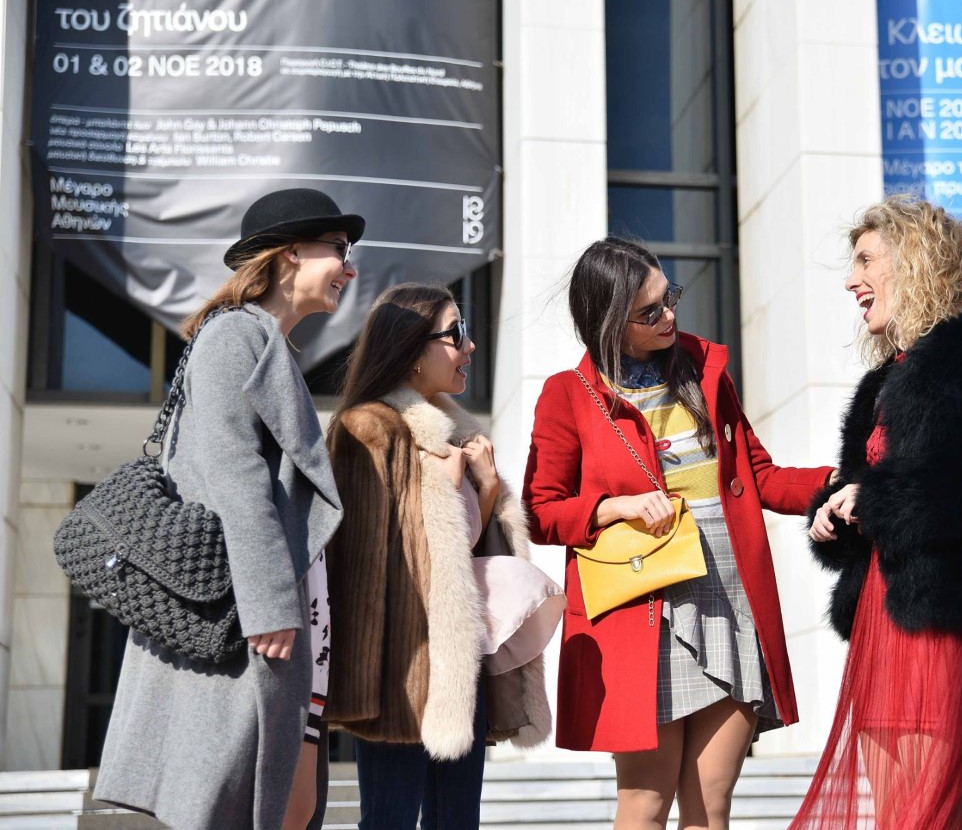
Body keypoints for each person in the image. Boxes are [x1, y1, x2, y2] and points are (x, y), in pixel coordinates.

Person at [523, 237, 837, 830]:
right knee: (645, 804)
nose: (669, 316)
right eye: (650, 312)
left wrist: (836, 482)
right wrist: (614, 507)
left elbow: (758, 476)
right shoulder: (569, 395)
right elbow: (540, 512)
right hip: (645, 608)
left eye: (671, 298)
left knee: (710, 805)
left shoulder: (703, 370)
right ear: (609, 320)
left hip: (729, 593)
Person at [95, 187, 363, 829]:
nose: (349, 269)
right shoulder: (234, 336)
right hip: (242, 613)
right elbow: (235, 478)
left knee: (273, 801)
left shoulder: (263, 342)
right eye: (338, 250)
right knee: (236, 801)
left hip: (265, 610)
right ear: (291, 253)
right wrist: (269, 604)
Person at [791, 197, 962, 829]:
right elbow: (867, 490)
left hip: (948, 613)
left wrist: (872, 498)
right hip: (881, 615)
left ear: (914, 262)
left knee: (927, 812)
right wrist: (834, 515)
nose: (851, 280)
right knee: (898, 809)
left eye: (865, 261)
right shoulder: (882, 381)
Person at [324, 283, 554, 830]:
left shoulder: (458, 438)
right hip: (400, 668)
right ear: (411, 348)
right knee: (390, 821)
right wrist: (453, 489)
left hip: (459, 663)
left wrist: (488, 490)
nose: (469, 346)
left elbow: (463, 549)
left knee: (457, 821)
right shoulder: (368, 429)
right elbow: (362, 564)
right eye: (456, 334)